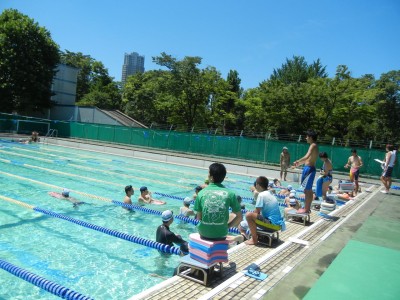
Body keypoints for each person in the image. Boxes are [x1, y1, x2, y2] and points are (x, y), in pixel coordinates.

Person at [194, 162, 242, 240]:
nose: (208, 175)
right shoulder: (230, 194)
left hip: (204, 233)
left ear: (211, 177)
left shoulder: (201, 193)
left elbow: (199, 218)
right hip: (221, 234)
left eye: (208, 173)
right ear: (223, 177)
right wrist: (227, 227)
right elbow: (239, 217)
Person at [245, 176, 286, 246]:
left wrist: (249, 224)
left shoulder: (261, 195)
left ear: (257, 185)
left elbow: (256, 212)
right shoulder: (270, 193)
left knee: (248, 215)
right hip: (278, 225)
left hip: (272, 225)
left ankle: (254, 240)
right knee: (254, 217)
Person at [293, 129, 319, 214]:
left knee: (308, 190)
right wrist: (299, 164)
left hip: (309, 169)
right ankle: (306, 208)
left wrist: (298, 161)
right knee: (306, 190)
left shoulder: (313, 145)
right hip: (308, 168)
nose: (306, 138)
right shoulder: (313, 145)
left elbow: (306, 156)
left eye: (307, 136)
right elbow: (307, 159)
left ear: (311, 137)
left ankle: (306, 209)